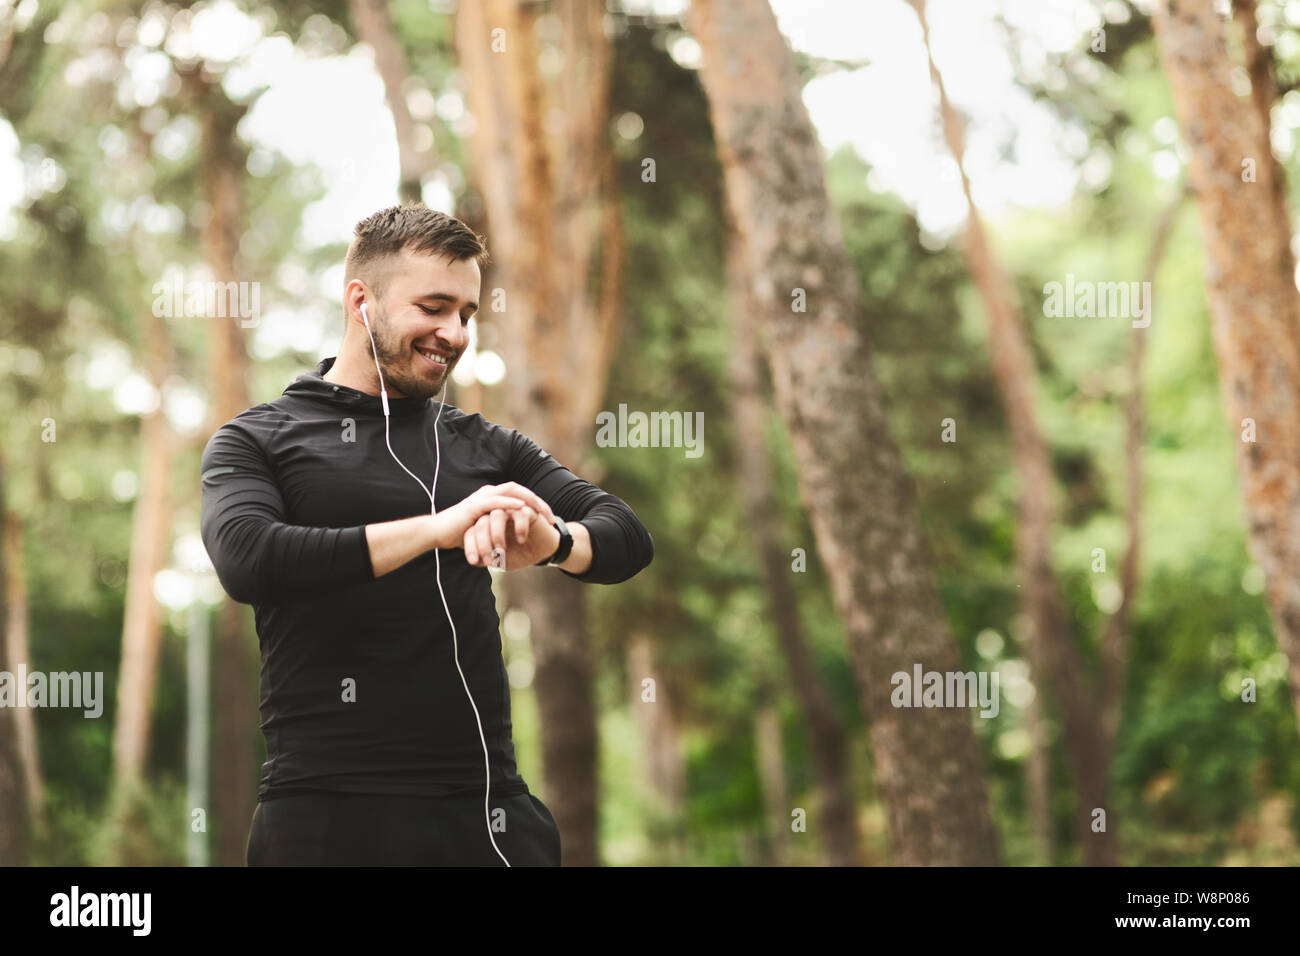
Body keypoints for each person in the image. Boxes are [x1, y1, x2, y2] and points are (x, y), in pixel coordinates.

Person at [199, 203, 654, 866]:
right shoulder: (257, 439)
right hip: (325, 817)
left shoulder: (484, 445)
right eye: (434, 307)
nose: (455, 333)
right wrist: (438, 529)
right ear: (362, 301)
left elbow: (626, 535)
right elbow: (249, 559)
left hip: (486, 815)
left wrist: (555, 540)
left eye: (467, 314)